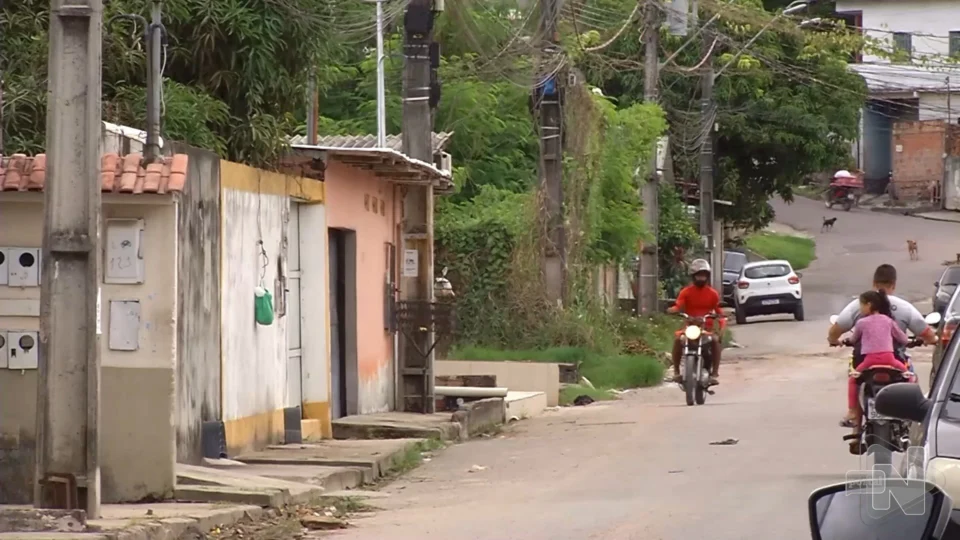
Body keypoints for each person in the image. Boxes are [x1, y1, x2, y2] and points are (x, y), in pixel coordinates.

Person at [828, 264, 937, 425]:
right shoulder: (903, 309)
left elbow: (836, 330)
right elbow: (923, 334)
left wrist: (834, 341)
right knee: (910, 377)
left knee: (855, 379)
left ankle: (856, 426)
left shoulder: (858, 308)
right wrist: (929, 340)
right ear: (893, 284)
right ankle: (912, 417)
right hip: (895, 358)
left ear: (874, 283)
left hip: (864, 360)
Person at [842, 290, 915, 435]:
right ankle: (910, 409)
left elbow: (853, 339)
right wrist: (913, 341)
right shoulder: (888, 321)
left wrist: (844, 341)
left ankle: (851, 412)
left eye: (861, 305)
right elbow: (902, 339)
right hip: (890, 360)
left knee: (853, 379)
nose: (861, 309)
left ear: (869, 305)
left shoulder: (861, 323)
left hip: (869, 362)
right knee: (909, 376)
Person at [667, 259, 726, 385]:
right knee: (678, 340)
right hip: (690, 327)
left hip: (707, 329)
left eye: (703, 276)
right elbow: (678, 305)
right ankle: (677, 372)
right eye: (698, 275)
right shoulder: (686, 292)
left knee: (715, 341)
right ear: (693, 276)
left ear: (707, 277)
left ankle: (714, 373)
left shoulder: (713, 294)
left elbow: (718, 310)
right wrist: (673, 310)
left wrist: (721, 316)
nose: (701, 278)